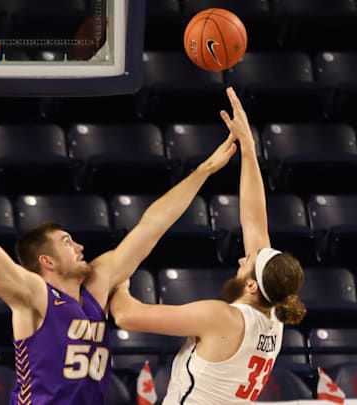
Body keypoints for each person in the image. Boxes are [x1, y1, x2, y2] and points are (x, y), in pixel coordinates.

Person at [0, 132, 237, 405]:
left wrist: (203, 170)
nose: (79, 247)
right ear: (46, 262)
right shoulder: (33, 294)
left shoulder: (97, 284)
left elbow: (152, 226)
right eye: (66, 242)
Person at [110, 87, 307, 404]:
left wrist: (118, 276)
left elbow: (126, 316)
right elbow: (255, 221)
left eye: (249, 261)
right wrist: (248, 148)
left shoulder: (222, 318)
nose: (244, 257)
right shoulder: (275, 315)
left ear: (253, 285)